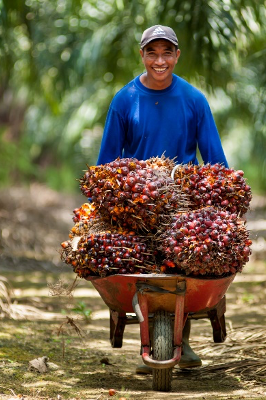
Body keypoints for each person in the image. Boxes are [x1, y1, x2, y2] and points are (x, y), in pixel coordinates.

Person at [96, 24, 228, 374]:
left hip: (182, 204)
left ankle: (179, 337)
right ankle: (152, 334)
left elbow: (214, 160)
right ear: (142, 55)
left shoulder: (193, 100)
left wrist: (222, 200)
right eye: (152, 53)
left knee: (183, 264)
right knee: (140, 268)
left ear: (177, 55)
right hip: (135, 204)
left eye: (166, 52)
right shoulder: (124, 100)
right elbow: (107, 162)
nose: (159, 60)